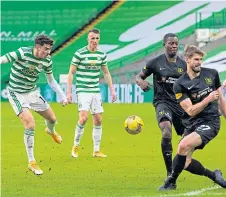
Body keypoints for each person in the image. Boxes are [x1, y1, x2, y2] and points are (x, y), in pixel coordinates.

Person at [159, 45, 226, 190]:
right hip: (192, 123)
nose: (199, 62)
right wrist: (207, 99)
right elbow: (190, 111)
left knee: (183, 146)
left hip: (211, 122)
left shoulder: (212, 74)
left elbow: (221, 100)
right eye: (196, 59)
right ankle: (214, 176)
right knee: (184, 161)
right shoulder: (179, 84)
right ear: (187, 60)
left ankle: (170, 183)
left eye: (201, 59)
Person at [0, 34, 67, 175]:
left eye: (49, 49)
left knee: (52, 119)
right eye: (46, 49)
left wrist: (62, 94)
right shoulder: (22, 52)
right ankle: (31, 161)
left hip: (32, 93)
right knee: (30, 123)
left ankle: (51, 131)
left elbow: (51, 81)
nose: (48, 52)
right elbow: (3, 59)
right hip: (16, 93)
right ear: (37, 47)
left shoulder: (47, 60)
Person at [135, 33, 187, 176]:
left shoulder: (183, 65)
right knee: (166, 131)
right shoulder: (155, 62)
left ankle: (183, 161)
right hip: (162, 102)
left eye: (176, 43)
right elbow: (138, 76)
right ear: (164, 44)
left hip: (180, 105)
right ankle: (170, 172)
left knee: (188, 139)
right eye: (171, 43)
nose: (174, 46)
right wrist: (141, 82)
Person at [67, 28, 116, 158]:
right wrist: (69, 92)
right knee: (83, 118)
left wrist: (112, 89)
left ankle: (96, 150)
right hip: (82, 90)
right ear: (87, 39)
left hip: (95, 90)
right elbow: (71, 72)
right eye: (92, 38)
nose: (95, 40)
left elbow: (106, 72)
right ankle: (76, 145)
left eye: (97, 38)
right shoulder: (79, 53)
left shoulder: (101, 54)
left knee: (98, 119)